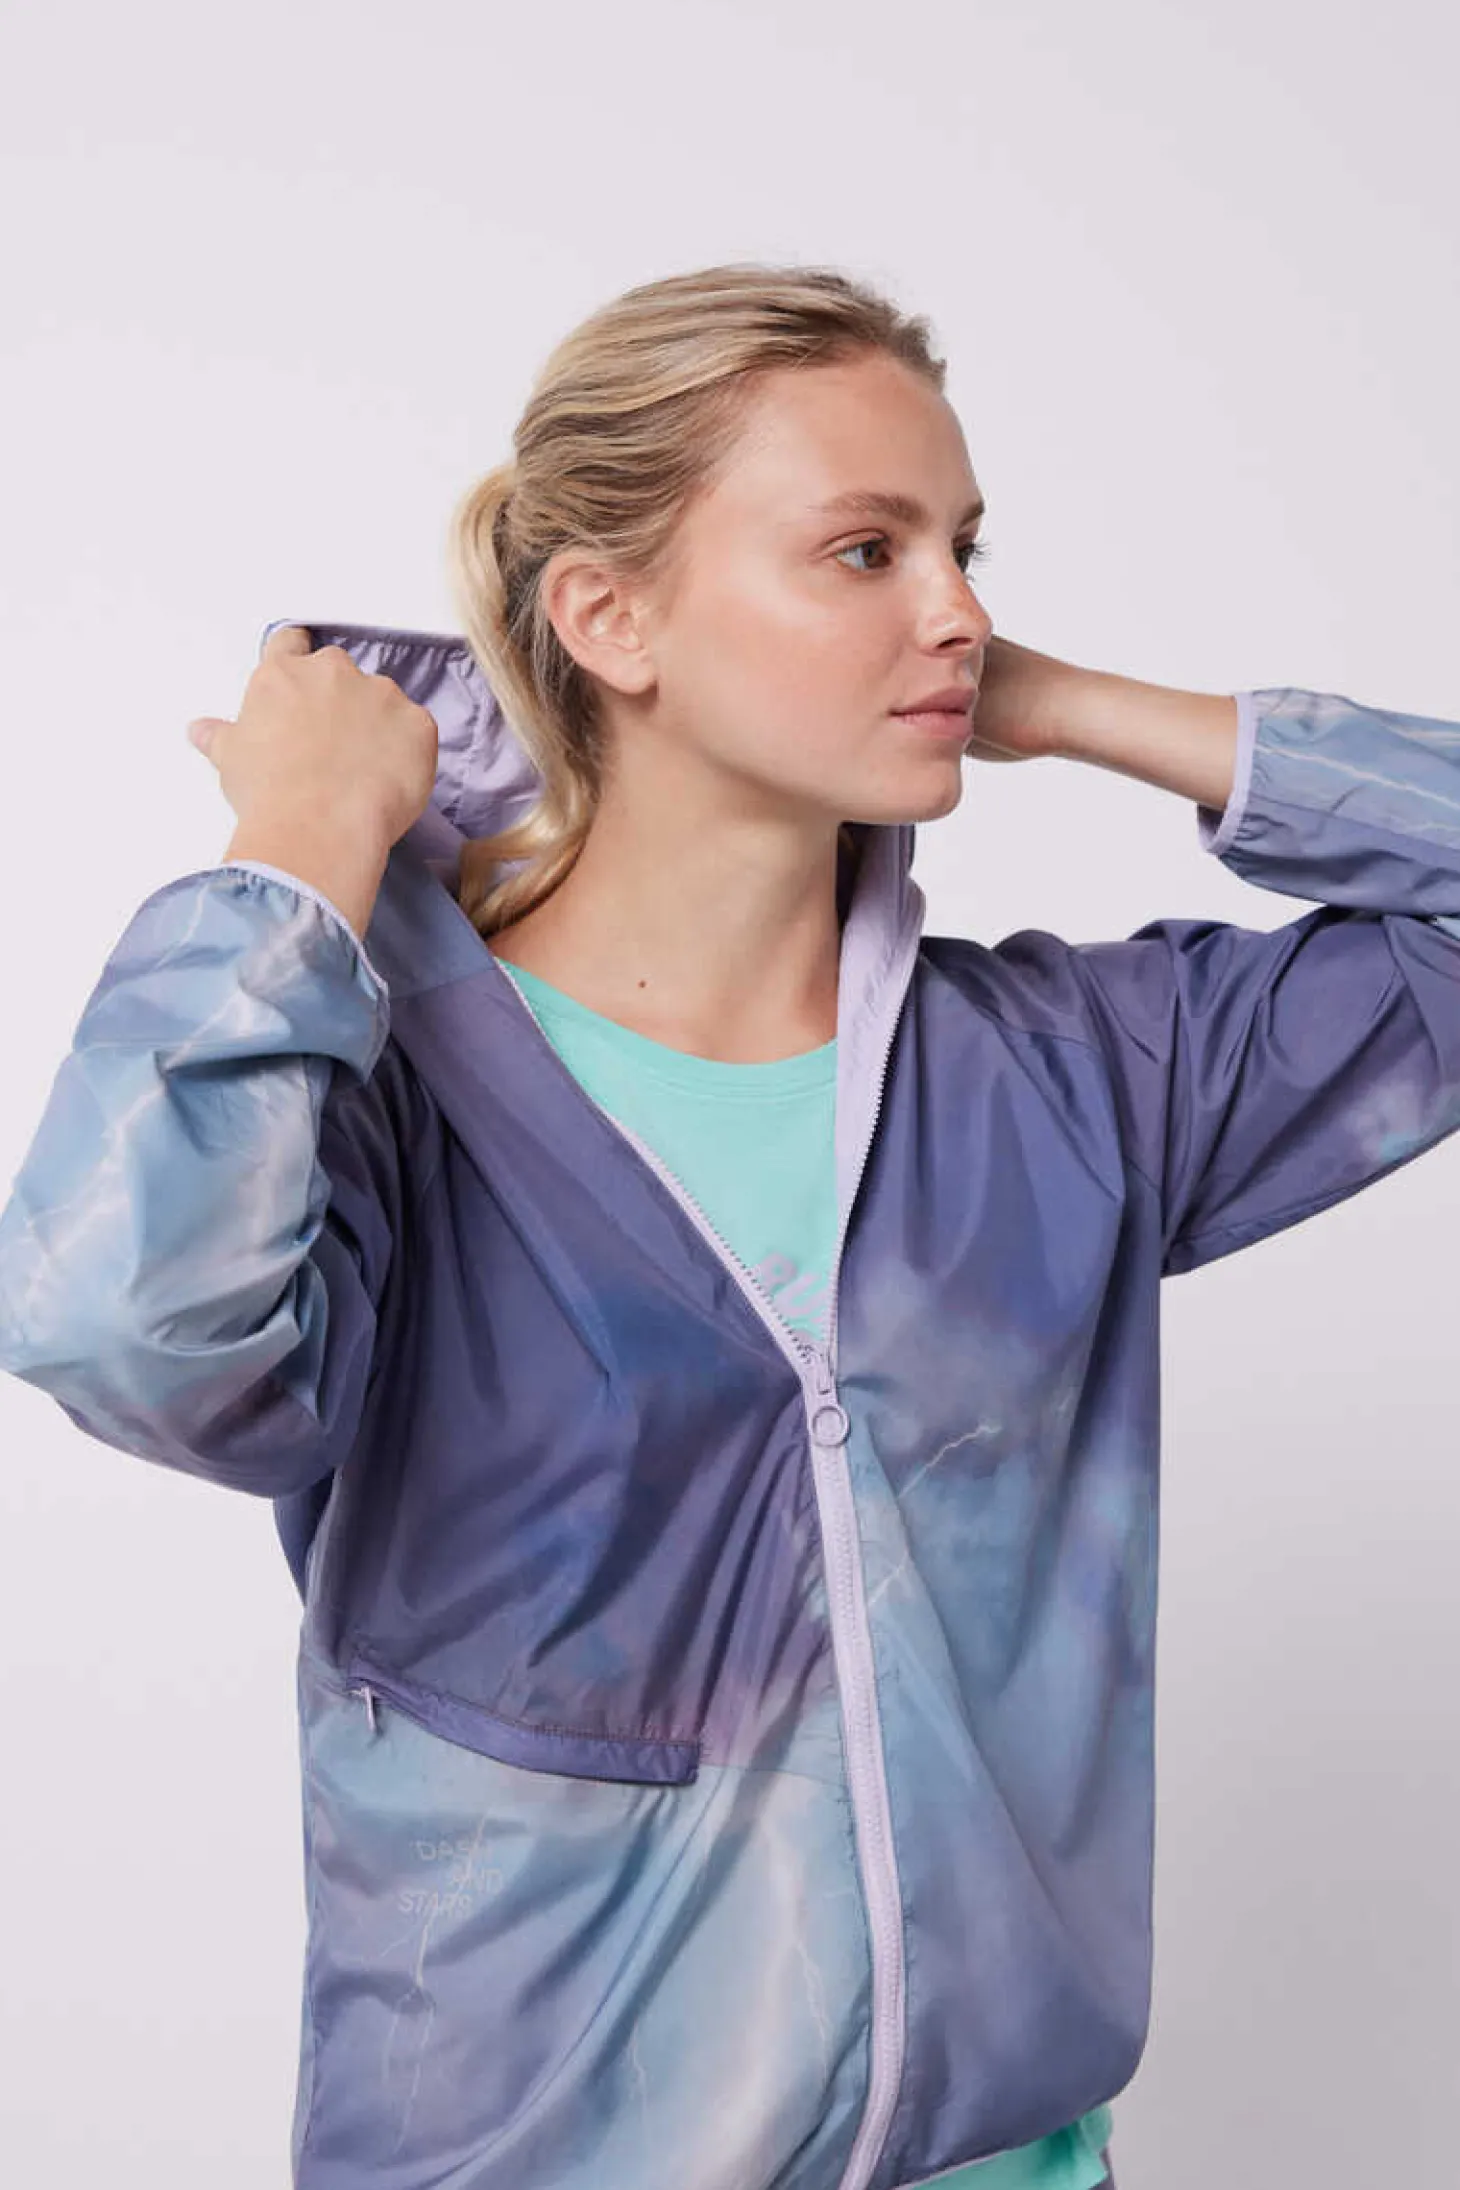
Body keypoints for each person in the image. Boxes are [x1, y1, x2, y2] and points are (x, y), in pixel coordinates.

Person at [3, 261, 1458, 2190]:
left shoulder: (1073, 1076)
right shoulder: (395, 1104)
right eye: (863, 550)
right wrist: (300, 860)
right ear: (610, 618)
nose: (955, 606)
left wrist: (1062, 706)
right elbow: (122, 1329)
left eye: (962, 548)